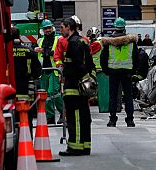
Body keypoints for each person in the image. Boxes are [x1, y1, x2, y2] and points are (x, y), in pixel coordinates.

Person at [57, 17, 93, 156]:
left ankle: (75, 147)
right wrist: (89, 81)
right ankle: (85, 146)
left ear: (69, 27)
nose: (61, 30)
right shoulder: (83, 41)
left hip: (74, 86)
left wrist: (82, 79)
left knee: (74, 117)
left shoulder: (72, 43)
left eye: (62, 27)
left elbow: (78, 65)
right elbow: (89, 63)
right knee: (84, 116)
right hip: (81, 87)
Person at [100, 17, 138, 127]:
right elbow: (136, 58)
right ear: (124, 28)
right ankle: (130, 120)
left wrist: (106, 71)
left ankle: (112, 120)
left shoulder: (109, 42)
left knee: (113, 96)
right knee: (128, 96)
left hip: (113, 71)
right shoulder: (131, 42)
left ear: (115, 27)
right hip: (127, 72)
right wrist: (133, 71)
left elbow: (103, 58)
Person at [35, 19, 63, 124]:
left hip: (54, 70)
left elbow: (59, 53)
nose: (48, 30)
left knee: (53, 92)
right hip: (43, 71)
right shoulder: (40, 41)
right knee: (45, 95)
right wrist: (36, 50)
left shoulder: (58, 39)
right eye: (45, 28)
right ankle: (50, 116)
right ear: (42, 30)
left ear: (53, 28)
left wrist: (46, 51)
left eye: (49, 28)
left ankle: (63, 112)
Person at [11, 26, 42, 103]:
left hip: (10, 88)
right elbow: (37, 70)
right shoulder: (28, 51)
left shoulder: (4, 51)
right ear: (19, 36)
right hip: (27, 86)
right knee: (28, 108)